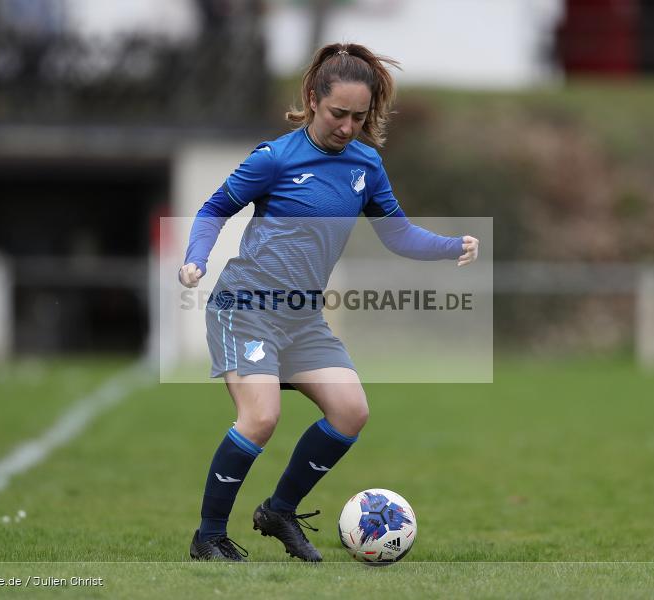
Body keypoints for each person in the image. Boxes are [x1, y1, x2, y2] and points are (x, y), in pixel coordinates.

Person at [179, 42, 478, 562]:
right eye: (339, 113)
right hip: (245, 309)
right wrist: (196, 258)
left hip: (301, 319)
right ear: (314, 99)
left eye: (359, 117)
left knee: (350, 411)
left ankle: (278, 510)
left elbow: (398, 236)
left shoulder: (366, 164)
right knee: (261, 418)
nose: (348, 126)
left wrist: (453, 247)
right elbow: (213, 209)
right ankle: (208, 537)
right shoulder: (275, 158)